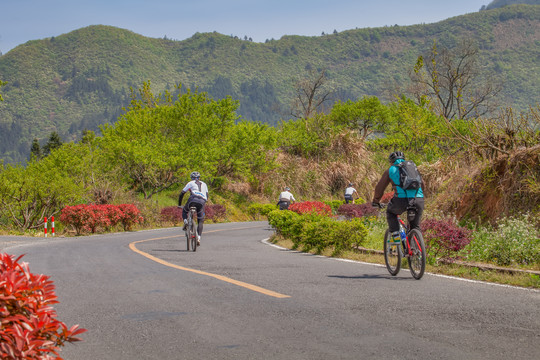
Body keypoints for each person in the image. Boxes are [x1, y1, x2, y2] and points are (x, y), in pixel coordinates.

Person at [372, 151, 424, 244]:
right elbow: (422, 184)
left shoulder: (391, 170)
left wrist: (376, 200)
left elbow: (380, 188)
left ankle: (395, 235)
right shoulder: (412, 168)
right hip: (418, 199)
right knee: (415, 226)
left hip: (401, 200)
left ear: (391, 161)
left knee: (390, 212)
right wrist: (420, 197)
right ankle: (418, 251)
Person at [178, 171, 208, 246]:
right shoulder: (204, 184)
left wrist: (179, 204)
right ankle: (199, 238)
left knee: (185, 210)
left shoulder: (190, 183)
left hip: (193, 199)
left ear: (191, 178)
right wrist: (203, 203)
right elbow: (207, 195)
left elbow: (182, 193)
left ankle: (185, 222)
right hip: (202, 201)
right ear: (199, 178)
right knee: (200, 220)